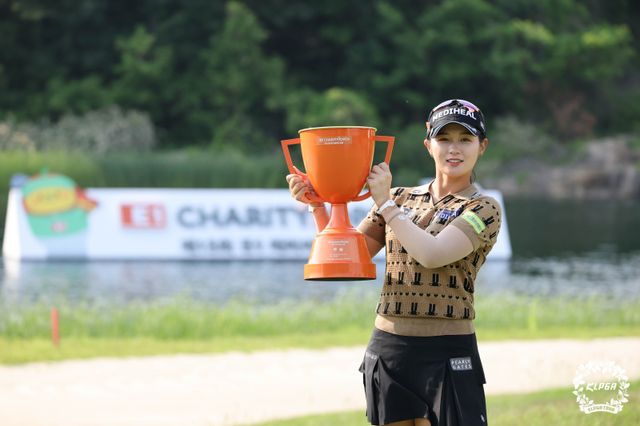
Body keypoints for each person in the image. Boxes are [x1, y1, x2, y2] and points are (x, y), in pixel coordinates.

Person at [286, 99, 502, 426]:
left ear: (482, 146)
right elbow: (347, 258)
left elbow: (432, 254)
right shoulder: (399, 198)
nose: (454, 149)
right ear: (428, 145)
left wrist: (386, 204)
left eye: (465, 139)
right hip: (390, 348)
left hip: (448, 350)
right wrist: (319, 205)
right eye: (444, 139)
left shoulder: (483, 208)